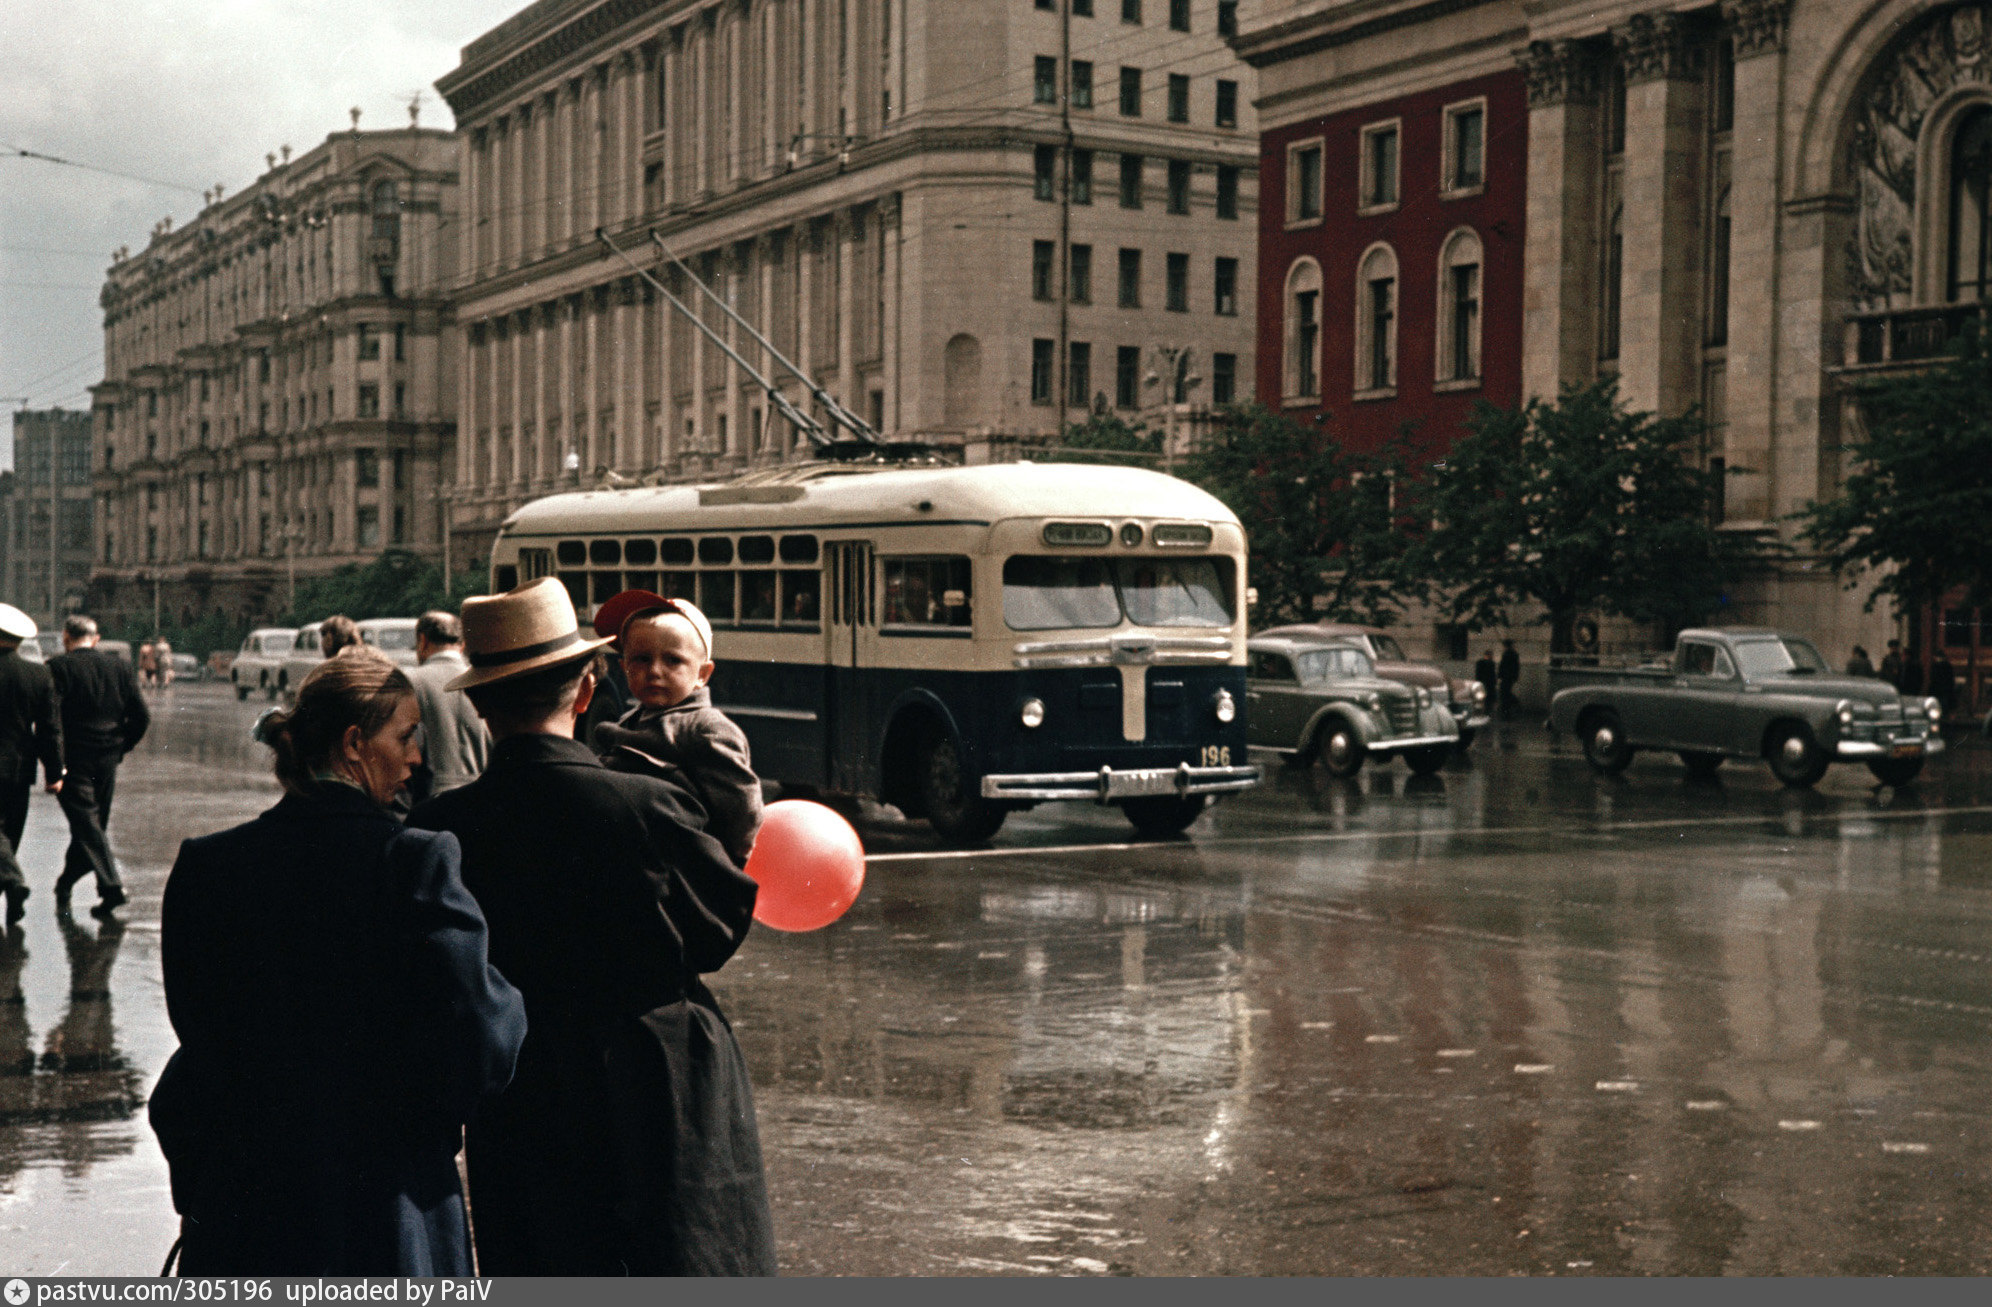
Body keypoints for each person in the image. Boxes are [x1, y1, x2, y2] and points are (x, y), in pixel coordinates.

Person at [407, 578, 775, 1276]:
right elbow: (718, 929)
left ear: (481, 705)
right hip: (660, 1084)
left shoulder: (438, 830)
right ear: (585, 690)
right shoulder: (649, 805)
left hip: (522, 1096)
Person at [148, 651, 525, 1275]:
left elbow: (201, 1035)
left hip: (248, 1206)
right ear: (354, 745)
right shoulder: (415, 861)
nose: (416, 760)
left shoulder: (208, 865)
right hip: (386, 1207)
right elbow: (485, 1037)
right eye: (405, 737)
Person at [588, 590, 763, 867]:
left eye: (673, 660)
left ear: (702, 675)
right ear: (624, 668)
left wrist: (724, 869)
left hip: (684, 869)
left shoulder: (706, 728)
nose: (655, 670)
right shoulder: (628, 722)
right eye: (641, 659)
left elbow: (740, 810)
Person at [47, 616, 148, 920]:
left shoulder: (58, 668)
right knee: (92, 825)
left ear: (66, 638)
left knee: (88, 825)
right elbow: (141, 717)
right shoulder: (119, 668)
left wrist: (54, 764)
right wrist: (121, 746)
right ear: (97, 637)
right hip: (107, 759)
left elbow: (51, 721)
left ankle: (111, 886)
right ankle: (67, 882)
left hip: (74, 759)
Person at [0, 605, 63, 925]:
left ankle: (13, 883)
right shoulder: (38, 674)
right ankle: (12, 897)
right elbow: (49, 729)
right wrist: (55, 772)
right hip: (20, 769)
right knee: (11, 835)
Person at [405, 610, 489, 806]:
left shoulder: (410, 682)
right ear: (462, 645)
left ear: (422, 640)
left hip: (430, 800)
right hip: (483, 797)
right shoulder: (485, 681)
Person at [1497, 639, 1521, 714]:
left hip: (1506, 677)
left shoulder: (1507, 654)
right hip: (1510, 677)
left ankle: (1506, 709)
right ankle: (1508, 707)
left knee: (1504, 693)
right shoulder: (1514, 654)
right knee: (1506, 692)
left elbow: (1502, 666)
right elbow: (1516, 667)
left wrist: (1499, 676)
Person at [1930, 649, 1956, 715]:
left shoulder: (1936, 666)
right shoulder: (1947, 666)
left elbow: (1933, 678)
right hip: (1944, 690)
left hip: (1939, 690)